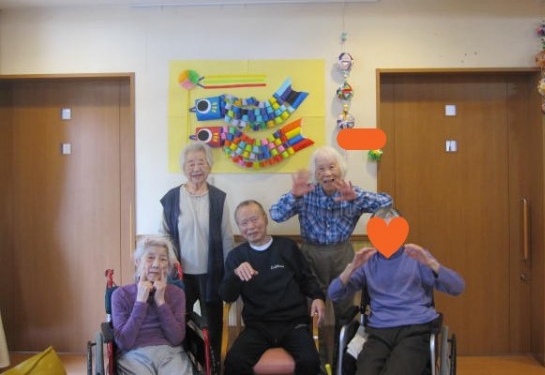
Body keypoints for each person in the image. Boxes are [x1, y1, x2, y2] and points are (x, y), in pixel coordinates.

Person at [269, 146, 393, 367]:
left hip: (342, 254)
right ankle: (315, 361)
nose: (327, 173)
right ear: (315, 173)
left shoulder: (352, 193)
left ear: (340, 169)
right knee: (312, 310)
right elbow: (276, 214)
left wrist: (357, 197)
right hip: (310, 254)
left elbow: (387, 203)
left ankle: (341, 360)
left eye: (332, 167)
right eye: (321, 169)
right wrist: (293, 195)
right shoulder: (305, 193)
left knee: (345, 311)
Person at [328, 207, 465, 375]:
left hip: (414, 328)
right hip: (379, 331)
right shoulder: (367, 262)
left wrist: (432, 264)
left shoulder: (417, 257)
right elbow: (334, 294)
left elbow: (457, 287)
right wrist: (352, 267)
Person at [220, 200, 326, 375]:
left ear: (265, 219)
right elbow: (227, 295)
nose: (251, 226)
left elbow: (307, 279)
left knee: (310, 361)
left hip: (293, 324)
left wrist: (318, 297)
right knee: (234, 362)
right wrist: (236, 274)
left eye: (255, 219)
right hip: (258, 326)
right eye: (244, 223)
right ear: (239, 227)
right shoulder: (236, 257)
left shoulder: (287, 247)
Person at [160, 142, 233, 365]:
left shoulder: (218, 198)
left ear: (209, 166)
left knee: (213, 324)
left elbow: (227, 237)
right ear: (184, 168)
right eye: (191, 163)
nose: (196, 168)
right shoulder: (172, 198)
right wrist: (171, 261)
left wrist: (229, 274)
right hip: (180, 274)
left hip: (212, 273)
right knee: (178, 321)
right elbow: (164, 235)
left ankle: (212, 365)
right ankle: (181, 364)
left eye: (201, 162)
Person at [111, 236, 196, 375]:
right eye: (150, 257)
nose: (156, 264)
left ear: (167, 265)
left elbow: (176, 339)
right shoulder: (121, 295)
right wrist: (140, 302)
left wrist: (161, 302)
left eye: (163, 259)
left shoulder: (176, 293)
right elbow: (124, 342)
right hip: (133, 354)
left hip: (171, 353)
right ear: (138, 261)